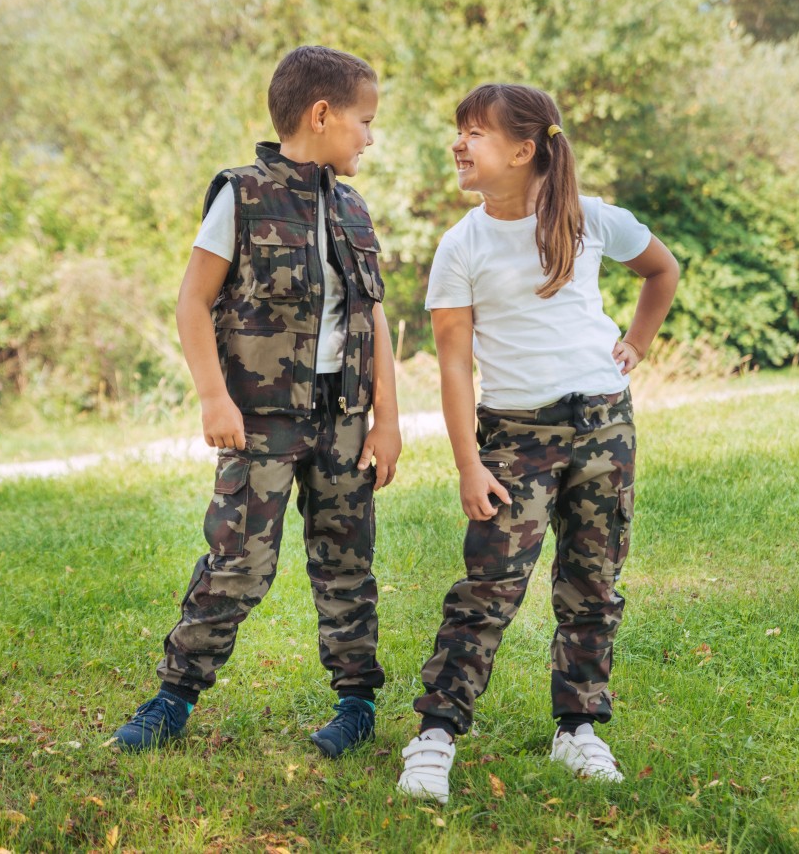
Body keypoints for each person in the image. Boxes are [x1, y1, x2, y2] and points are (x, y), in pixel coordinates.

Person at [111, 46, 402, 758]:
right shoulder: (239, 195)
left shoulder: (352, 206)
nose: (369, 136)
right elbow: (193, 301)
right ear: (322, 114)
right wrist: (214, 397)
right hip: (261, 420)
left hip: (342, 420)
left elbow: (374, 318)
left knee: (346, 559)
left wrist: (387, 419)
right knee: (238, 560)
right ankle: (173, 697)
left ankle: (356, 703)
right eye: (364, 121)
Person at [396, 83, 680, 803]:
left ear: (524, 150)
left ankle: (578, 730)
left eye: (476, 133)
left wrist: (637, 343)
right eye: (458, 131)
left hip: (602, 425)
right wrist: (468, 464)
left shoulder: (588, 222)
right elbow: (455, 364)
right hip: (515, 439)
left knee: (593, 583)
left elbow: (661, 269)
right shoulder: (461, 245)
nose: (459, 144)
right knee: (488, 588)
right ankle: (435, 736)